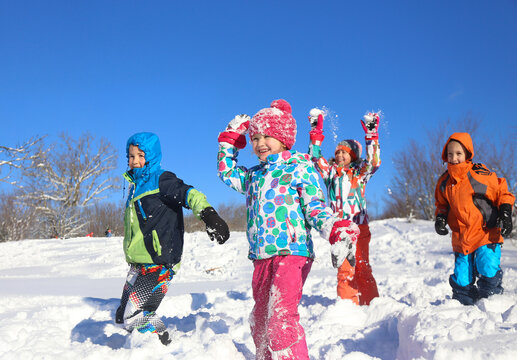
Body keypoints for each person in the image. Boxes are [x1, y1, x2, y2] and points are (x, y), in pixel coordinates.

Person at [217, 99, 360, 360]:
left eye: (267, 136)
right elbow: (227, 173)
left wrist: (335, 229)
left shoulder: (300, 168)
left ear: (283, 138)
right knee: (260, 320)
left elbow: (315, 207)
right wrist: (228, 142)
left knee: (281, 321)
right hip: (261, 257)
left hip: (292, 252)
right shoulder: (253, 176)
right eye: (255, 137)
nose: (260, 143)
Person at [116, 132, 230, 345]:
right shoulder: (134, 187)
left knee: (134, 316)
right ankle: (144, 340)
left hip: (159, 262)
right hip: (138, 264)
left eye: (141, 155)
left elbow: (189, 193)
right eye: (131, 156)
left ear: (152, 156)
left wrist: (209, 215)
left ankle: (161, 343)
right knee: (122, 314)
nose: (135, 161)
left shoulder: (162, 179)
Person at [307, 109, 381, 305]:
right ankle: (348, 307)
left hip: (360, 227)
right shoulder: (330, 173)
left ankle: (371, 303)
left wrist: (371, 136)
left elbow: (374, 162)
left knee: (362, 267)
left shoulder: (360, 174)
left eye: (345, 152)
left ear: (353, 156)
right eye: (338, 152)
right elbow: (314, 158)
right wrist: (316, 132)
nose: (339, 155)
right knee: (345, 269)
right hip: (341, 230)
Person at [434, 132, 514, 305]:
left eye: (458, 154)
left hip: (485, 232)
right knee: (462, 279)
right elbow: (442, 204)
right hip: (462, 237)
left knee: (487, 265)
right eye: (450, 154)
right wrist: (440, 218)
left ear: (467, 154)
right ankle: (464, 306)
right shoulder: (444, 182)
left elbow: (502, 191)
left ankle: (492, 299)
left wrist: (505, 212)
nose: (454, 158)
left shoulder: (478, 174)